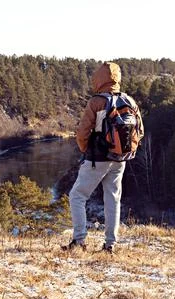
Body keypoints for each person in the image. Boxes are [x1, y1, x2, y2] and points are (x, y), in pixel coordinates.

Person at [61, 62, 142, 253]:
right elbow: (140, 132)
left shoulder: (96, 102)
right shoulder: (129, 101)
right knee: (113, 198)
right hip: (120, 159)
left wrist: (85, 150)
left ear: (99, 79)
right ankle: (110, 245)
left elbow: (82, 133)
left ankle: (79, 241)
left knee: (77, 196)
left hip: (97, 158)